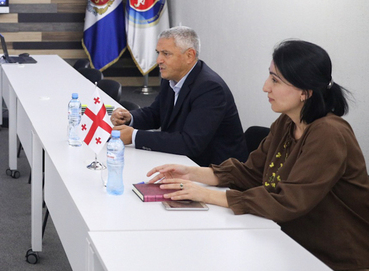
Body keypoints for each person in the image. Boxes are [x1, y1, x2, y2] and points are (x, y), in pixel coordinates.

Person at [148, 40, 369, 271]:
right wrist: (192, 173)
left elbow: (288, 202)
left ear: (305, 91)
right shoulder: (286, 122)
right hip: (287, 240)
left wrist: (205, 195)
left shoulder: (329, 133)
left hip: (333, 258)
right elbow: (251, 173)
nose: (265, 87)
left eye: (275, 80)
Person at [110, 26, 248, 166]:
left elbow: (190, 143)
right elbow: (156, 113)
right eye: (158, 53)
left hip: (215, 170)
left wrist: (134, 136)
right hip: (182, 160)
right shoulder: (171, 77)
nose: (159, 60)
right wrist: (130, 118)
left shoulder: (210, 89)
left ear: (189, 55)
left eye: (166, 54)